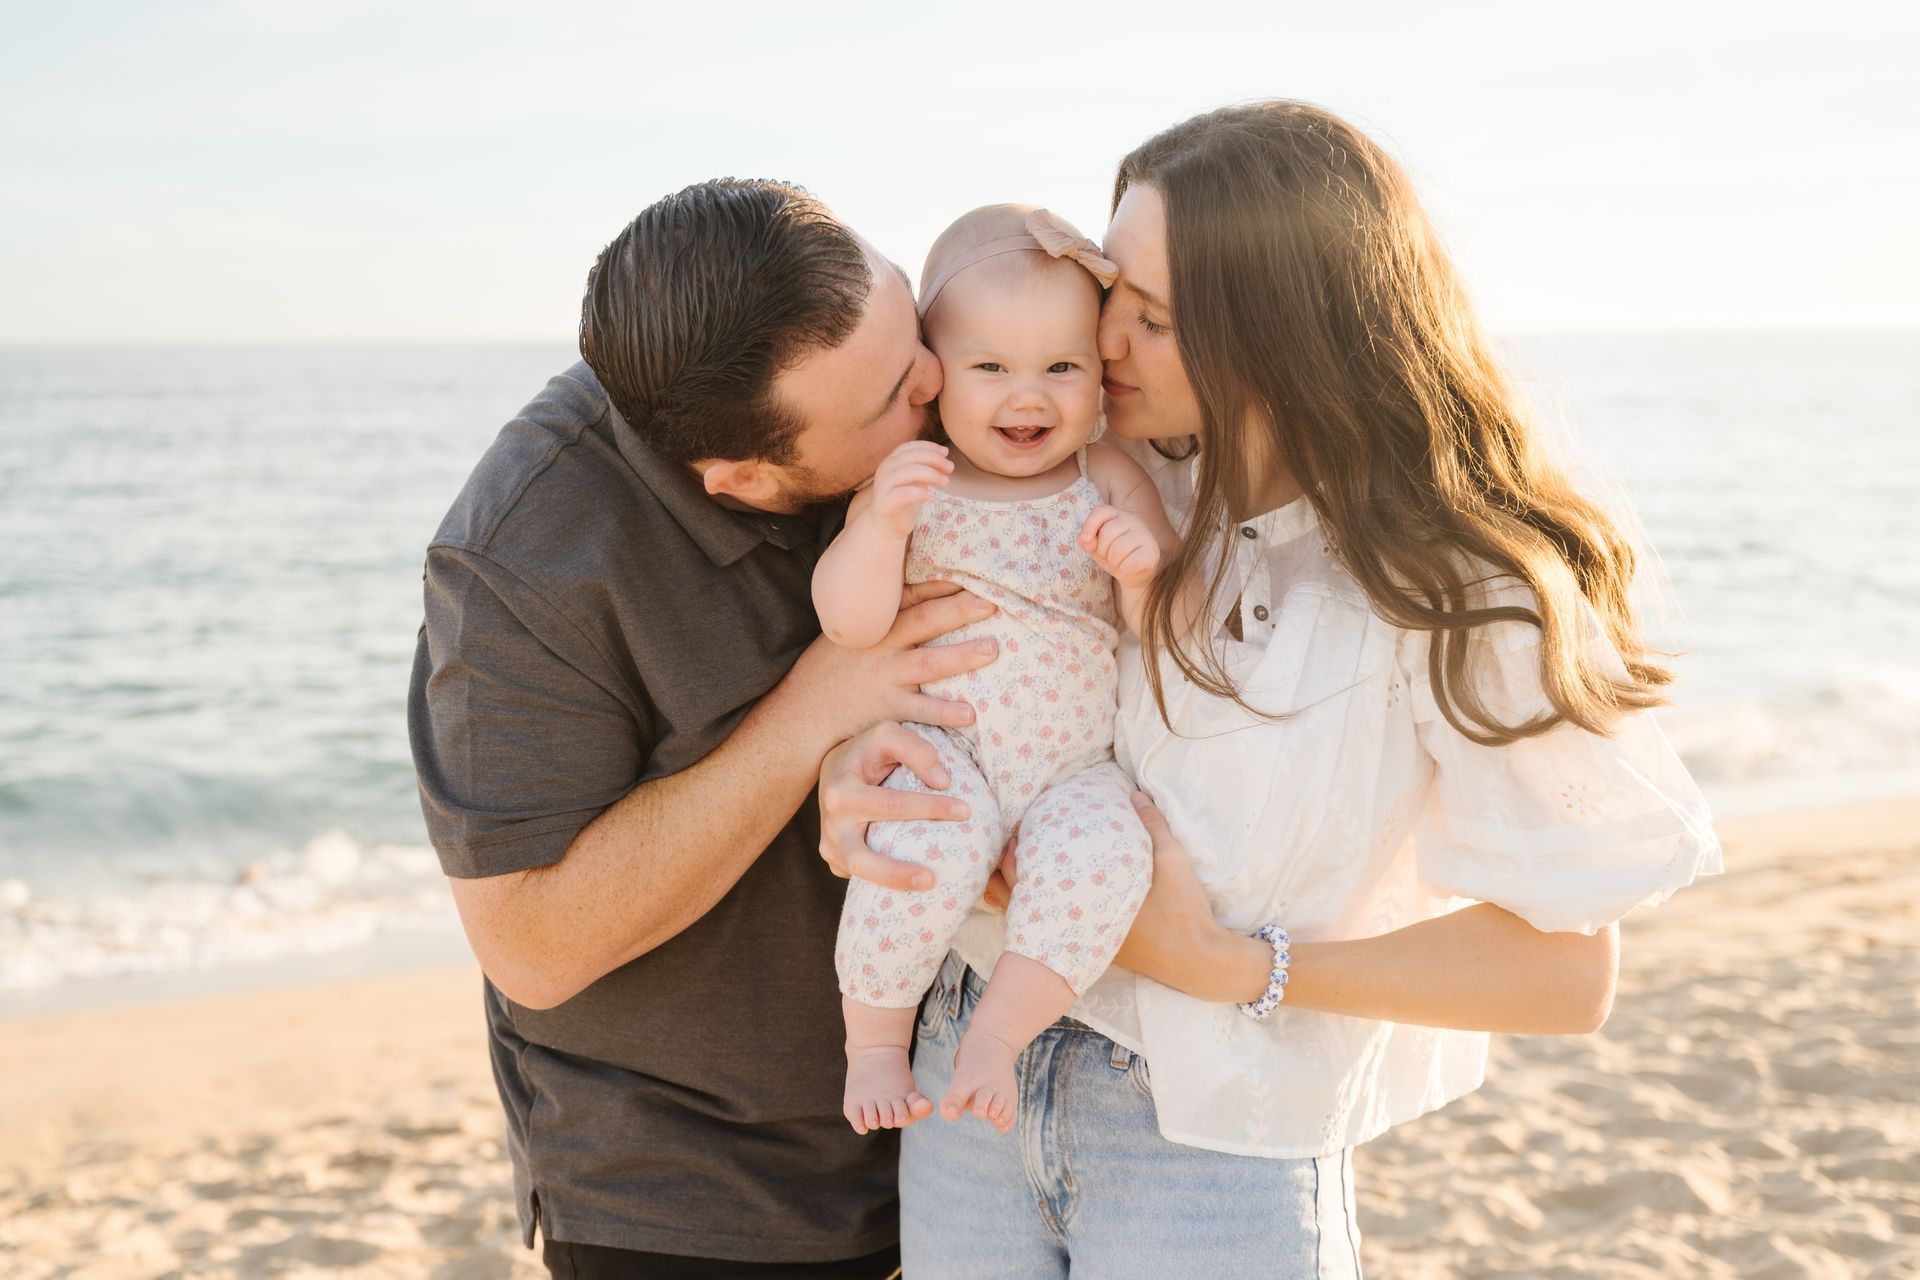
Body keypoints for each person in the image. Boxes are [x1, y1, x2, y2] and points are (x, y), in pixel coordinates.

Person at [817, 101, 1724, 1278]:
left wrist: (1236, 963)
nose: (1103, 340)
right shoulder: (1092, 466)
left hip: (1211, 1150)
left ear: (1279, 329)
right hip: (962, 1076)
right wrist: (851, 771)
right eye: (1108, 292)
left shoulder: (1452, 581)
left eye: (1147, 314)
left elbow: (1566, 972)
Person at [407, 178, 995, 1278]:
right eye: (886, 404)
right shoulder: (523, 561)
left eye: (909, 319)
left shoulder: (883, 370)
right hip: (689, 1196)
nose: (935, 376)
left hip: (956, 1137)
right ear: (745, 477)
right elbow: (533, 943)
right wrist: (812, 710)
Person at [817, 205, 1185, 1137]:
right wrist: (879, 530)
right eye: (991, 368)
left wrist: (1142, 566)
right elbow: (849, 623)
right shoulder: (916, 477)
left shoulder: (1106, 475)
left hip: (1076, 769)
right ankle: (873, 1044)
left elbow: (1160, 633)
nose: (1029, 396)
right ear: (935, 374)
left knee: (1108, 861)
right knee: (917, 857)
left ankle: (996, 1040)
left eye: (1062, 367)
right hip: (952, 755)